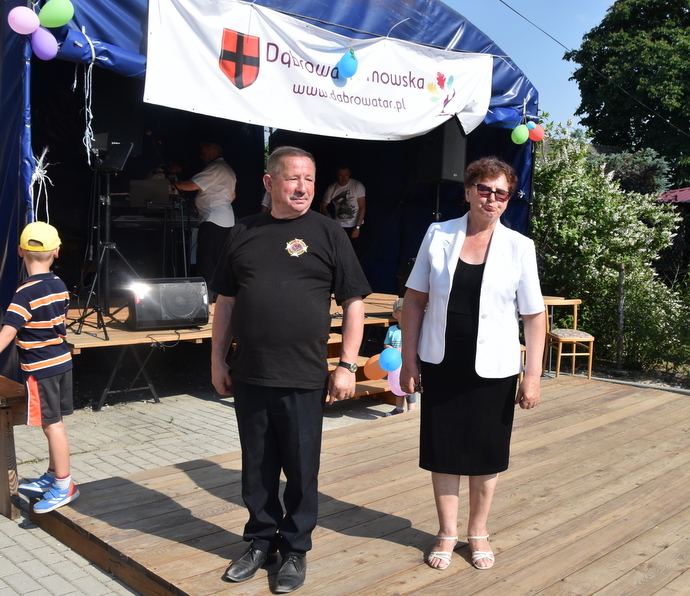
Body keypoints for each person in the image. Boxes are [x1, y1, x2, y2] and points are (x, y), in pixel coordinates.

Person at [211, 146, 371, 593]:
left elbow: (353, 302)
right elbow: (226, 302)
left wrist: (347, 365)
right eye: (292, 178)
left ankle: (295, 549)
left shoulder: (328, 232)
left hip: (304, 375)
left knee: (301, 470)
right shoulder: (243, 231)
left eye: (309, 179)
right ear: (269, 182)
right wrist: (217, 358)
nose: (303, 187)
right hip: (250, 373)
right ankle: (260, 542)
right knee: (256, 467)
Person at [399, 156, 546, 571]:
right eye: (484, 189)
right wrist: (408, 360)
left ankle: (478, 531)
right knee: (443, 450)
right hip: (442, 362)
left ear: (508, 199)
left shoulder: (520, 247)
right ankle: (447, 532)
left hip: (495, 369)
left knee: (486, 453)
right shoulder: (438, 234)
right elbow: (414, 300)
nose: (492, 199)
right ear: (467, 191)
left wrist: (533, 375)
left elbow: (534, 316)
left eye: (502, 193)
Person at [0, 221, 79, 514]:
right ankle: (54, 474)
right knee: (55, 423)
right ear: (57, 251)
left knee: (52, 425)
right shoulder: (60, 285)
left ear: (19, 251)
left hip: (41, 369)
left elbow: (6, 335)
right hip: (62, 363)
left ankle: (64, 485)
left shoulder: (24, 293)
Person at [173, 141, 236, 297]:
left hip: (212, 219)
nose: (201, 157)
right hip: (227, 219)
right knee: (219, 260)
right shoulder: (229, 170)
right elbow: (233, 196)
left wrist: (171, 184)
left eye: (204, 153)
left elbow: (192, 185)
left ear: (214, 152)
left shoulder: (215, 168)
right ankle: (218, 295)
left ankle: (205, 296)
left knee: (206, 260)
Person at [383, 298, 418, 416]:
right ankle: (399, 409)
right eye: (402, 312)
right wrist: (390, 349)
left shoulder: (413, 329)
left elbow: (415, 345)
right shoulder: (392, 330)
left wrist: (402, 349)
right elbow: (386, 344)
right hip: (395, 365)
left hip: (408, 363)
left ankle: (411, 410)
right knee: (397, 385)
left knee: (410, 386)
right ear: (394, 314)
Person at [320, 164, 366, 240]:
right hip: (339, 226)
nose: (343, 177)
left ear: (349, 174)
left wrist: (357, 227)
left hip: (355, 225)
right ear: (337, 175)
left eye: (346, 175)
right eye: (340, 175)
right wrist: (327, 215)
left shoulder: (357, 185)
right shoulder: (331, 188)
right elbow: (323, 205)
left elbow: (362, 207)